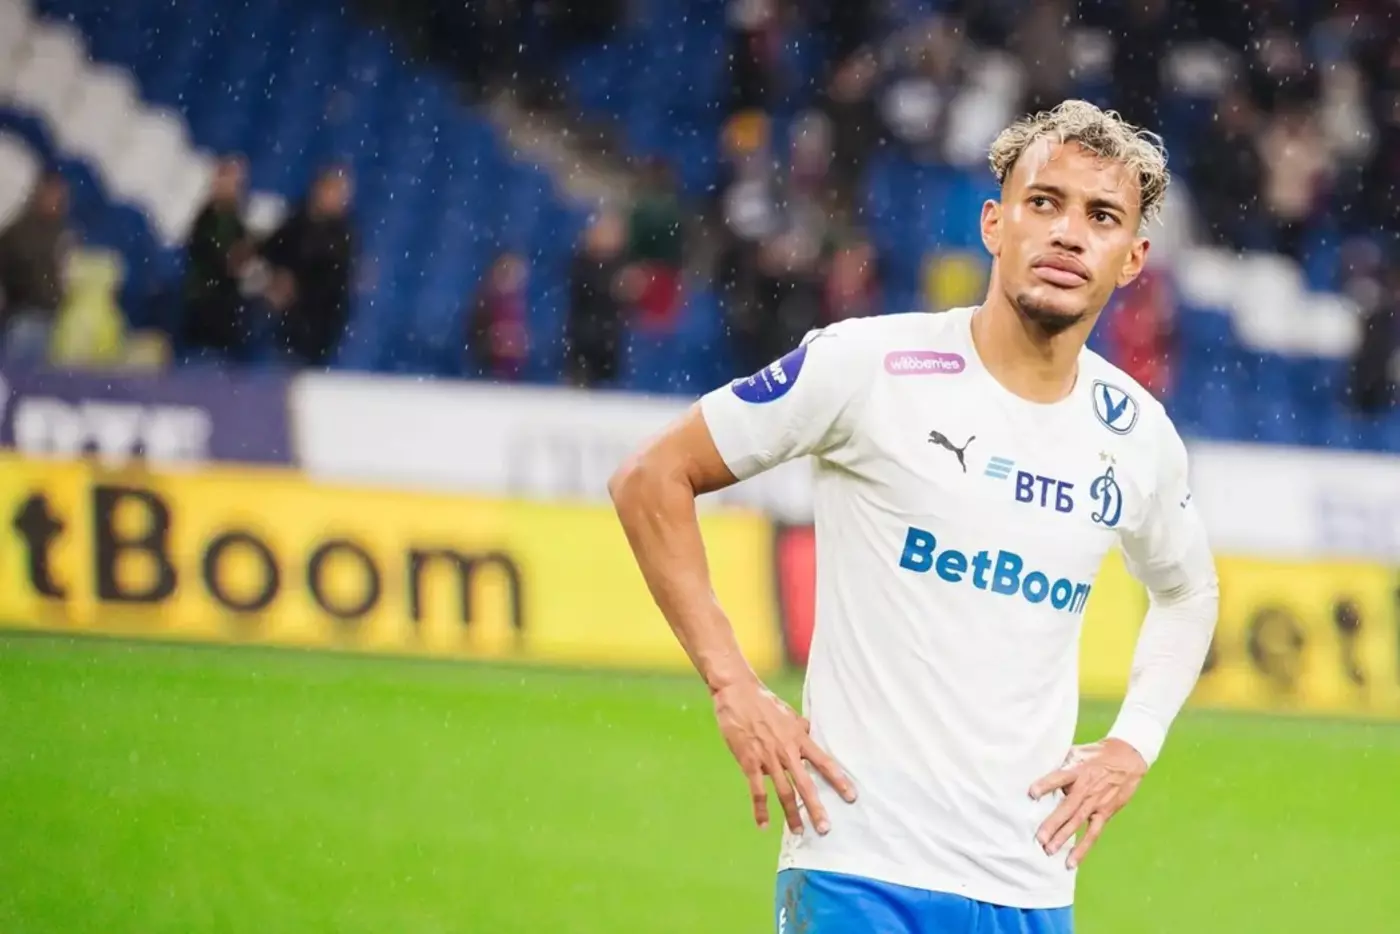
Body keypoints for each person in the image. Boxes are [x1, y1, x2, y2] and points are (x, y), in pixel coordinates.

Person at [608, 100, 1219, 934]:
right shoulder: (871, 365)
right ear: (995, 223)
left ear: (1133, 258)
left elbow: (1189, 594)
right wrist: (733, 686)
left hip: (1030, 886)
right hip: (860, 871)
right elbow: (652, 478)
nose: (1069, 234)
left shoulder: (1138, 434)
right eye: (1044, 202)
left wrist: (1134, 742)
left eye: (1101, 216)